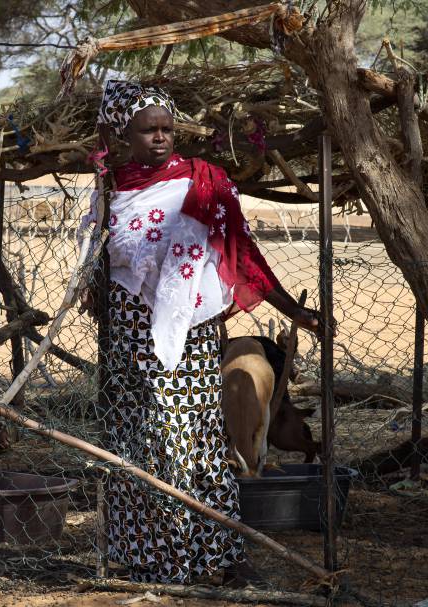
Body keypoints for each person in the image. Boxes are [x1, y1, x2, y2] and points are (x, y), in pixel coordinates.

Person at [84, 81, 322, 586]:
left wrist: (293, 311)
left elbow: (244, 254)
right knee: (140, 444)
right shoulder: (111, 188)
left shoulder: (203, 182)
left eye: (167, 129)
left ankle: (217, 555)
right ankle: (153, 557)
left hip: (191, 341)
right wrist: (95, 287)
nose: (160, 138)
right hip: (129, 340)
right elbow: (100, 261)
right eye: (148, 131)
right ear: (125, 134)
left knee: (197, 444)